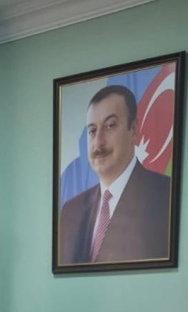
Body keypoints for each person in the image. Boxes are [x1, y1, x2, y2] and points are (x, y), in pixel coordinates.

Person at [58, 85, 171, 265]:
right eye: (92, 131)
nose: (98, 143)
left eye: (110, 126)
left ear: (133, 129)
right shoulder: (71, 211)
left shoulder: (166, 195)